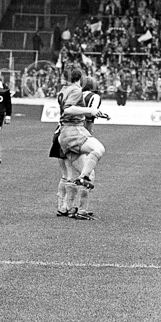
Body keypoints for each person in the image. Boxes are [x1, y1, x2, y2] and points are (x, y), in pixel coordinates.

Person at [52, 75, 103, 220]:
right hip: (75, 135)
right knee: (86, 173)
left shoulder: (67, 91)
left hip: (59, 134)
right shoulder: (93, 97)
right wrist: (88, 136)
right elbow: (89, 119)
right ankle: (79, 209)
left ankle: (64, 208)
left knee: (67, 174)